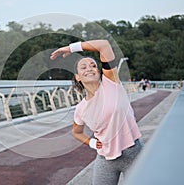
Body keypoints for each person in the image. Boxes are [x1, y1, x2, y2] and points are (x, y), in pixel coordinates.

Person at [50, 40, 143, 185]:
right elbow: (77, 132)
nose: (89, 68)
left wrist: (70, 48)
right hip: (105, 159)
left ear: (99, 72)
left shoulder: (111, 83)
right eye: (83, 67)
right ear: (78, 77)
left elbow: (104, 45)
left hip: (133, 154)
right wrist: (92, 143)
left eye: (93, 65)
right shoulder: (81, 108)